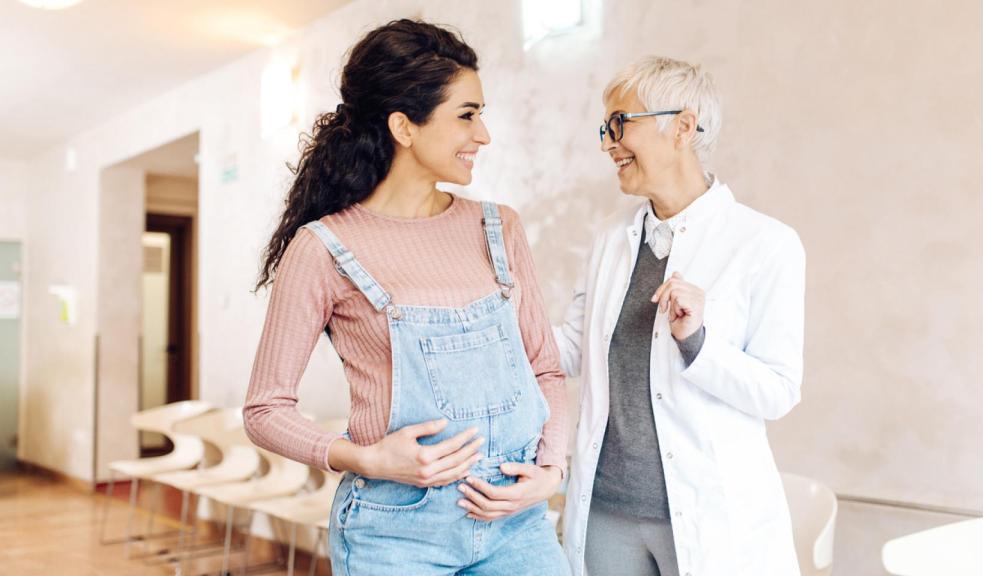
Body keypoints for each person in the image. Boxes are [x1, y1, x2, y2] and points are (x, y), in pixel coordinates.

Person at [244, 19, 569, 576]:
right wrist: (365, 458)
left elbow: (546, 371)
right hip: (395, 535)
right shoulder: (322, 248)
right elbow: (264, 410)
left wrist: (551, 471)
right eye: (467, 115)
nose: (483, 135)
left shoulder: (500, 228)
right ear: (404, 126)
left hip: (516, 525)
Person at [555, 56, 805, 576]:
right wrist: (493, 316)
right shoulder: (608, 239)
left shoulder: (766, 244)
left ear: (683, 128)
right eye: (606, 128)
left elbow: (778, 390)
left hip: (709, 517)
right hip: (605, 514)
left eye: (621, 124)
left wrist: (698, 341)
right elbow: (573, 349)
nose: (608, 143)